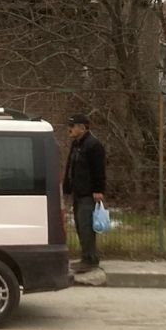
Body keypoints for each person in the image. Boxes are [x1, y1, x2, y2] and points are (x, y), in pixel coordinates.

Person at [62, 113, 106, 275]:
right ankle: (85, 257)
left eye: (72, 126)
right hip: (78, 192)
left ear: (82, 127)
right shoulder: (77, 144)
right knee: (81, 226)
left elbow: (99, 170)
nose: (70, 129)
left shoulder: (93, 145)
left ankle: (90, 259)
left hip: (88, 193)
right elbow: (70, 167)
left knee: (87, 226)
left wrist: (98, 190)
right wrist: (67, 188)